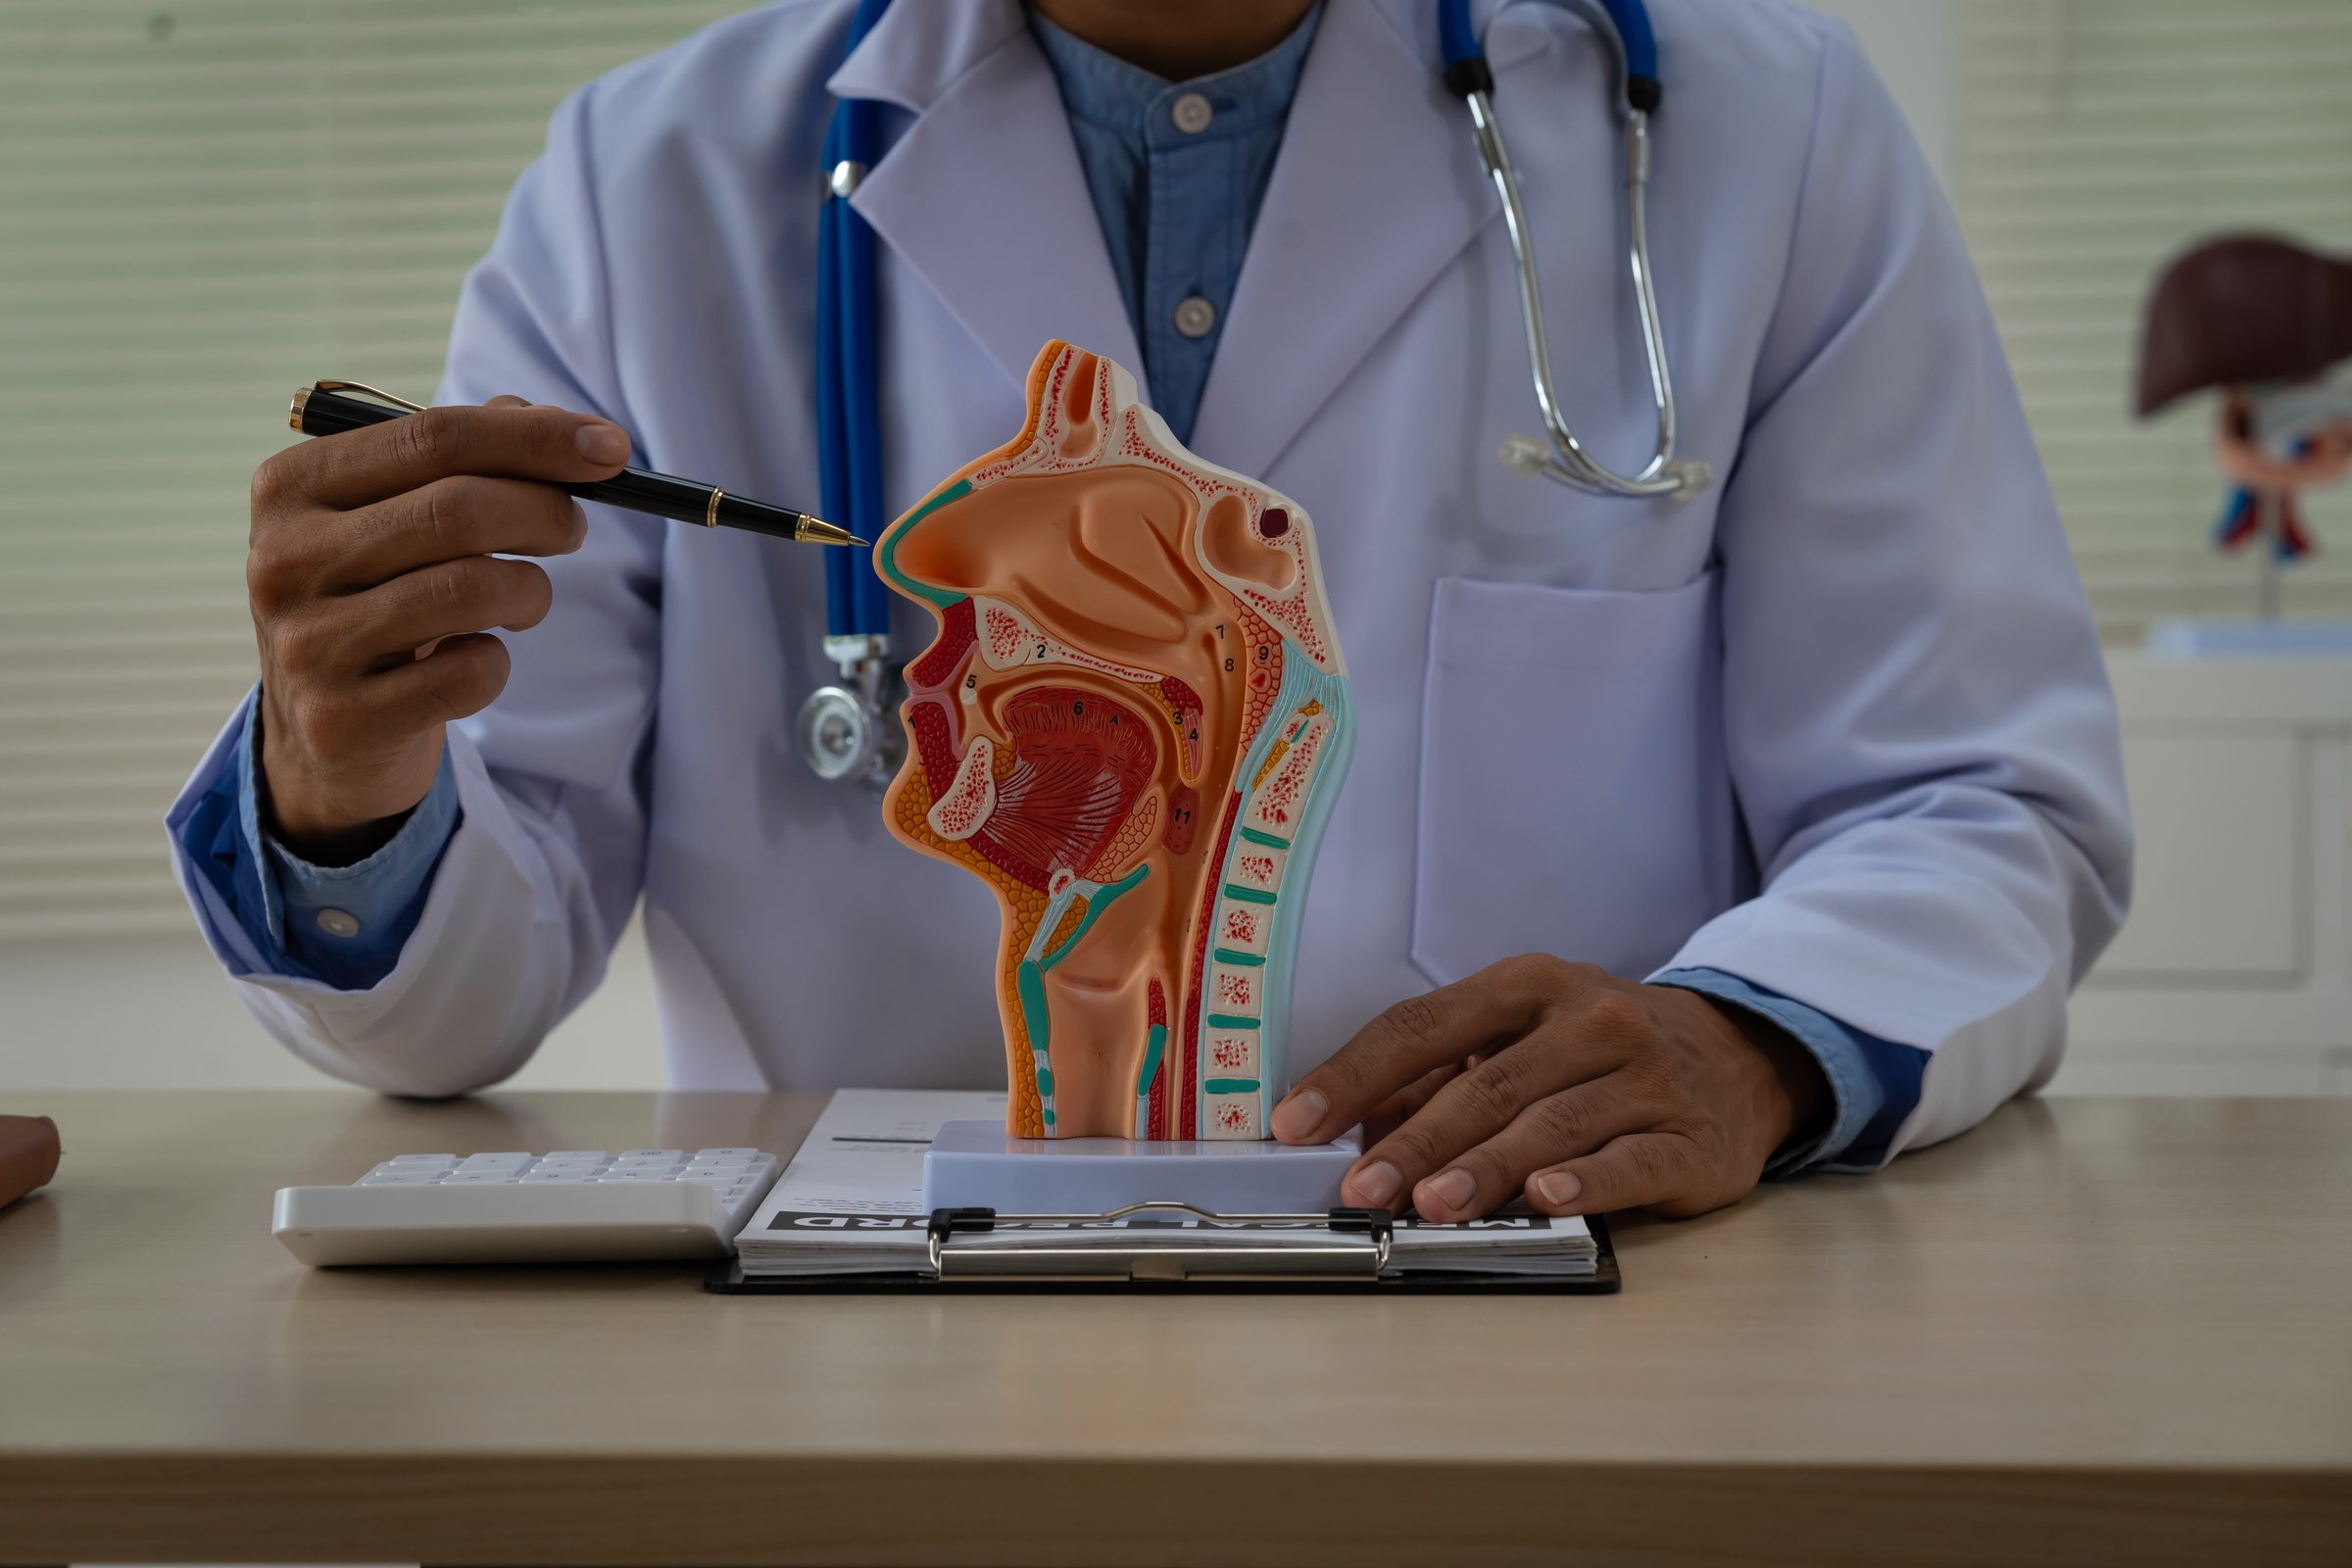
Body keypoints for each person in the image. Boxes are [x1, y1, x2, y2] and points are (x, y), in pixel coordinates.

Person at [168, 0, 2132, 1224]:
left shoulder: (1746, 126)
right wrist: (347, 775)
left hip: (1547, 1300)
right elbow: (456, 998)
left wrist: (1751, 1039)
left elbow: (1971, 802)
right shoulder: (647, 186)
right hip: (854, 1362)